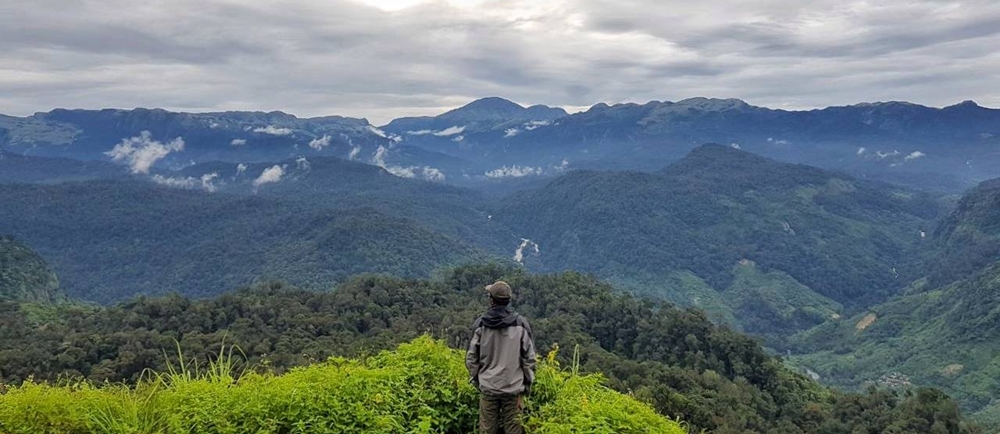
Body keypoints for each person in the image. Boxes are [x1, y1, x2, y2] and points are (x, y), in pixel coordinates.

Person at [465, 280, 537, 434]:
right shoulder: (520, 324)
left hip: (488, 388)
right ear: (508, 301)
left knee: (487, 430)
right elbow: (529, 360)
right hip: (513, 389)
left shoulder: (481, 325)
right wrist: (525, 388)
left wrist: (478, 381)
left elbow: (471, 358)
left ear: (491, 300)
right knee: (514, 429)